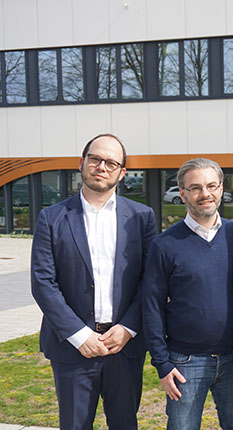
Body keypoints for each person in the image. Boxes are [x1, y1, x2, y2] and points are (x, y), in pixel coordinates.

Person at [31, 133, 157, 429]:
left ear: (122, 173)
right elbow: (43, 282)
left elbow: (150, 282)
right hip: (72, 347)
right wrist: (79, 335)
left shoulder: (142, 218)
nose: (102, 166)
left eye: (111, 162)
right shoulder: (52, 217)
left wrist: (127, 328)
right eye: (95, 159)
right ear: (82, 163)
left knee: (125, 423)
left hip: (123, 347)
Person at [142, 158, 233, 430]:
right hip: (184, 362)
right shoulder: (165, 244)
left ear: (222, 188)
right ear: (183, 193)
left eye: (212, 186)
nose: (205, 194)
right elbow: (151, 306)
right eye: (196, 188)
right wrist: (162, 364)